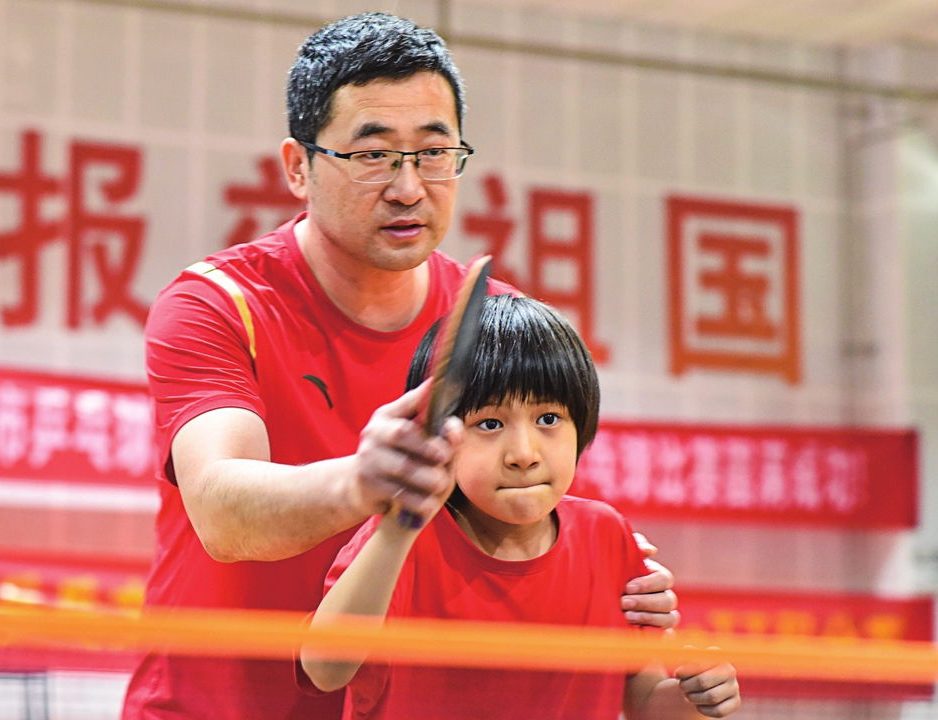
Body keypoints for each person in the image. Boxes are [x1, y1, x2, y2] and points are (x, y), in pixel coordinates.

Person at [127, 13, 679, 720]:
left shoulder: (489, 320)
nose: (409, 187)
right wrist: (364, 481)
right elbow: (223, 513)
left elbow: (526, 515)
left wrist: (620, 585)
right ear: (298, 167)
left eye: (434, 153)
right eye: (373, 155)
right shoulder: (217, 305)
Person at [300, 295, 741, 720]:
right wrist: (395, 534)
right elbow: (325, 670)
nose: (523, 453)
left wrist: (695, 698)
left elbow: (643, 698)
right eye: (489, 423)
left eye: (548, 419)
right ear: (437, 435)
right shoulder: (401, 538)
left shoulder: (605, 534)